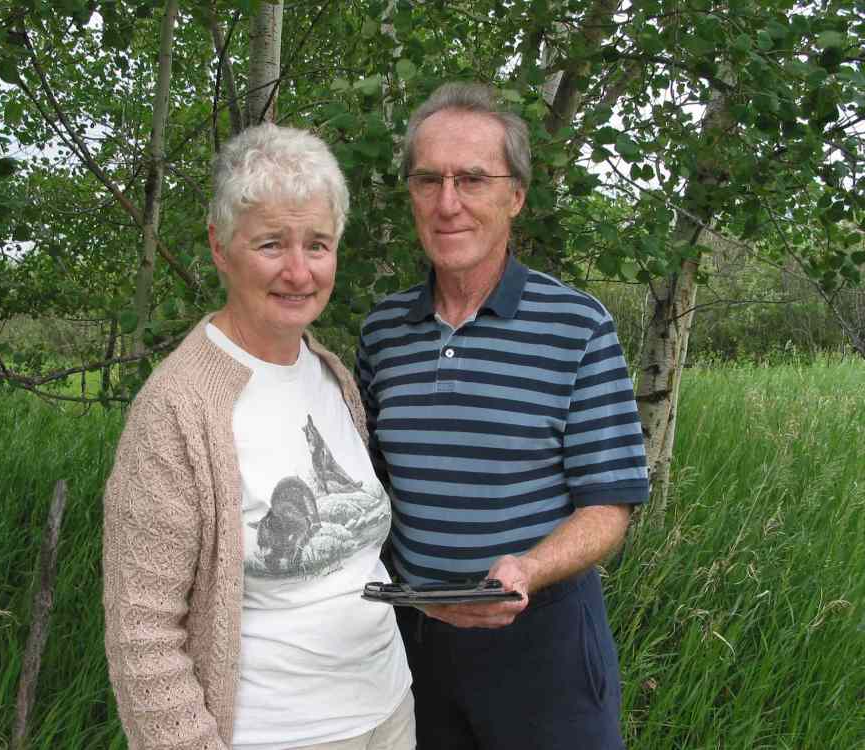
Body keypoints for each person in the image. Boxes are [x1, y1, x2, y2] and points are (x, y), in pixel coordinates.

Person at [355, 82, 649, 750]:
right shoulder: (382, 332)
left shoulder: (578, 327)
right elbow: (367, 489)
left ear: (515, 196)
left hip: (543, 648)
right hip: (413, 645)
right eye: (428, 180)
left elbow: (610, 509)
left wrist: (528, 568)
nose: (448, 203)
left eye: (471, 179)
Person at [103, 123, 413, 750]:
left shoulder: (331, 376)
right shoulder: (178, 408)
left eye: (318, 245)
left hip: (388, 712)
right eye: (272, 244)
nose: (298, 272)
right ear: (221, 247)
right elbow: (142, 635)